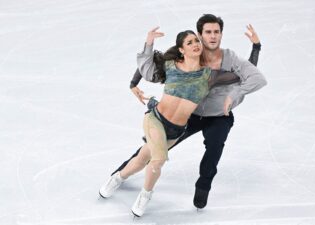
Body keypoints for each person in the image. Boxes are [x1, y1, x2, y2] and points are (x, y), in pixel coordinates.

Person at [101, 14, 266, 213]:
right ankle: (127, 180)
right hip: (177, 117)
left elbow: (247, 74)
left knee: (211, 150)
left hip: (209, 118)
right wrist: (133, 83)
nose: (211, 37)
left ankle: (201, 187)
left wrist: (254, 51)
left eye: (216, 32)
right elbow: (154, 65)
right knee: (155, 154)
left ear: (221, 34)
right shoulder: (180, 58)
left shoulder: (219, 68)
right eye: (206, 33)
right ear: (198, 36)